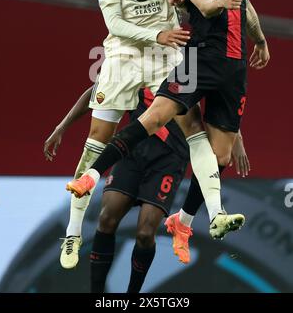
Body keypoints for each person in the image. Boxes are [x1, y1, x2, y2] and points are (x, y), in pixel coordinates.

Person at [67, 0, 270, 242]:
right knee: (154, 118)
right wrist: (219, 1)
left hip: (234, 68)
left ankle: (188, 220)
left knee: (220, 154)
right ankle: (91, 175)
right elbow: (205, 6)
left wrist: (260, 39)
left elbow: (245, 8)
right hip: (197, 58)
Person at [49, 0, 192, 269]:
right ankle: (73, 233)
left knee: (194, 125)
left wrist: (181, 5)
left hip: (167, 53)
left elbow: (189, 3)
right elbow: (114, 21)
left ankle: (196, 215)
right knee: (96, 139)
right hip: (124, 53)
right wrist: (158, 31)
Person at [45, 85, 249, 289]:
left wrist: (236, 136)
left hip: (170, 158)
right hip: (132, 152)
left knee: (145, 234)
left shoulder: (186, 65)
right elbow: (97, 89)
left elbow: (219, 93)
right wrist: (61, 127)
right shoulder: (136, 60)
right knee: (107, 218)